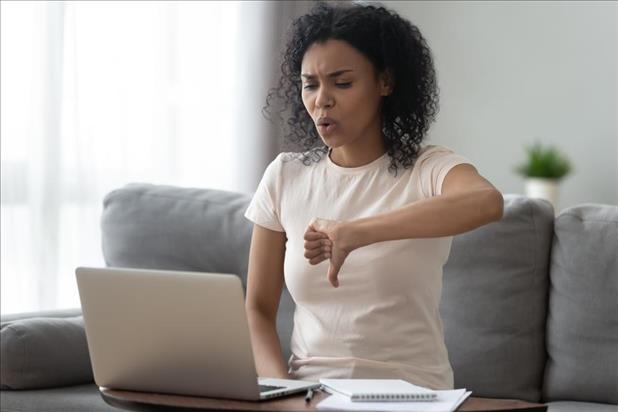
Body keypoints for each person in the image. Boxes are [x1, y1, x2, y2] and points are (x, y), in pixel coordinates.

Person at [243, 1, 503, 390]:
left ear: (385, 82)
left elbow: (487, 202)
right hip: (311, 396)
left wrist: (356, 232)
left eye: (342, 82)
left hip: (413, 396)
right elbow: (258, 310)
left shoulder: (428, 168)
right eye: (310, 84)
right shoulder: (285, 176)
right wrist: (283, 393)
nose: (321, 100)